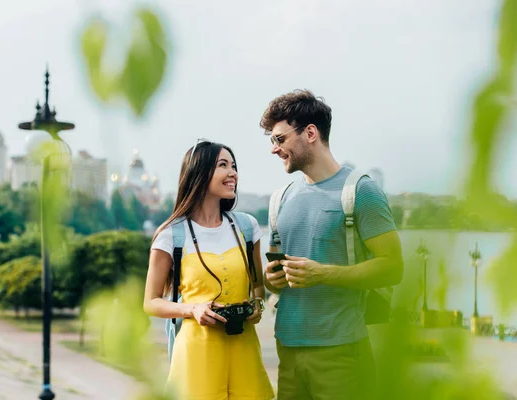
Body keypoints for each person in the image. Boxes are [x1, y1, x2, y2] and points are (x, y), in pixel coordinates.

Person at [260, 90, 404, 400]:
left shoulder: (361, 192)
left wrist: (322, 274)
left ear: (310, 132)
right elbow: (273, 278)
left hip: (341, 352)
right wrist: (271, 279)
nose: (275, 149)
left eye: (280, 139)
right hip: (287, 348)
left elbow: (392, 268)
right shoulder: (281, 199)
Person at [143, 139, 274, 400]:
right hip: (196, 354)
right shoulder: (171, 235)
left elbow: (258, 284)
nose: (233, 173)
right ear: (199, 173)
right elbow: (151, 302)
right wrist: (192, 309)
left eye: (234, 166)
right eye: (223, 165)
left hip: (244, 348)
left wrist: (257, 305)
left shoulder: (247, 228)